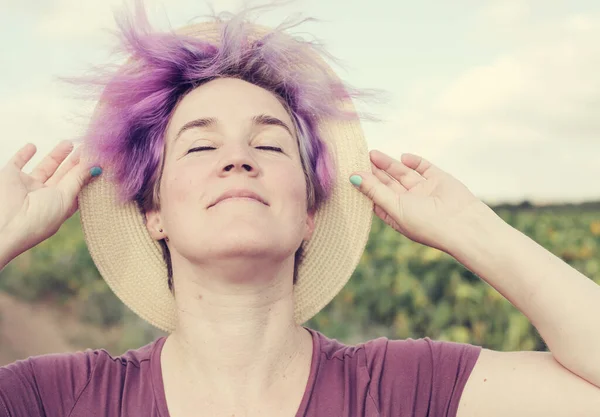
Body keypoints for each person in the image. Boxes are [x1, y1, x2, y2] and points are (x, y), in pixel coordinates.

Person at [1, 2, 599, 417]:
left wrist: (476, 232)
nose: (238, 159)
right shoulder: (60, 397)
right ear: (153, 211)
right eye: (201, 145)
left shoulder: (407, 390)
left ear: (311, 210)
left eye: (269, 144)